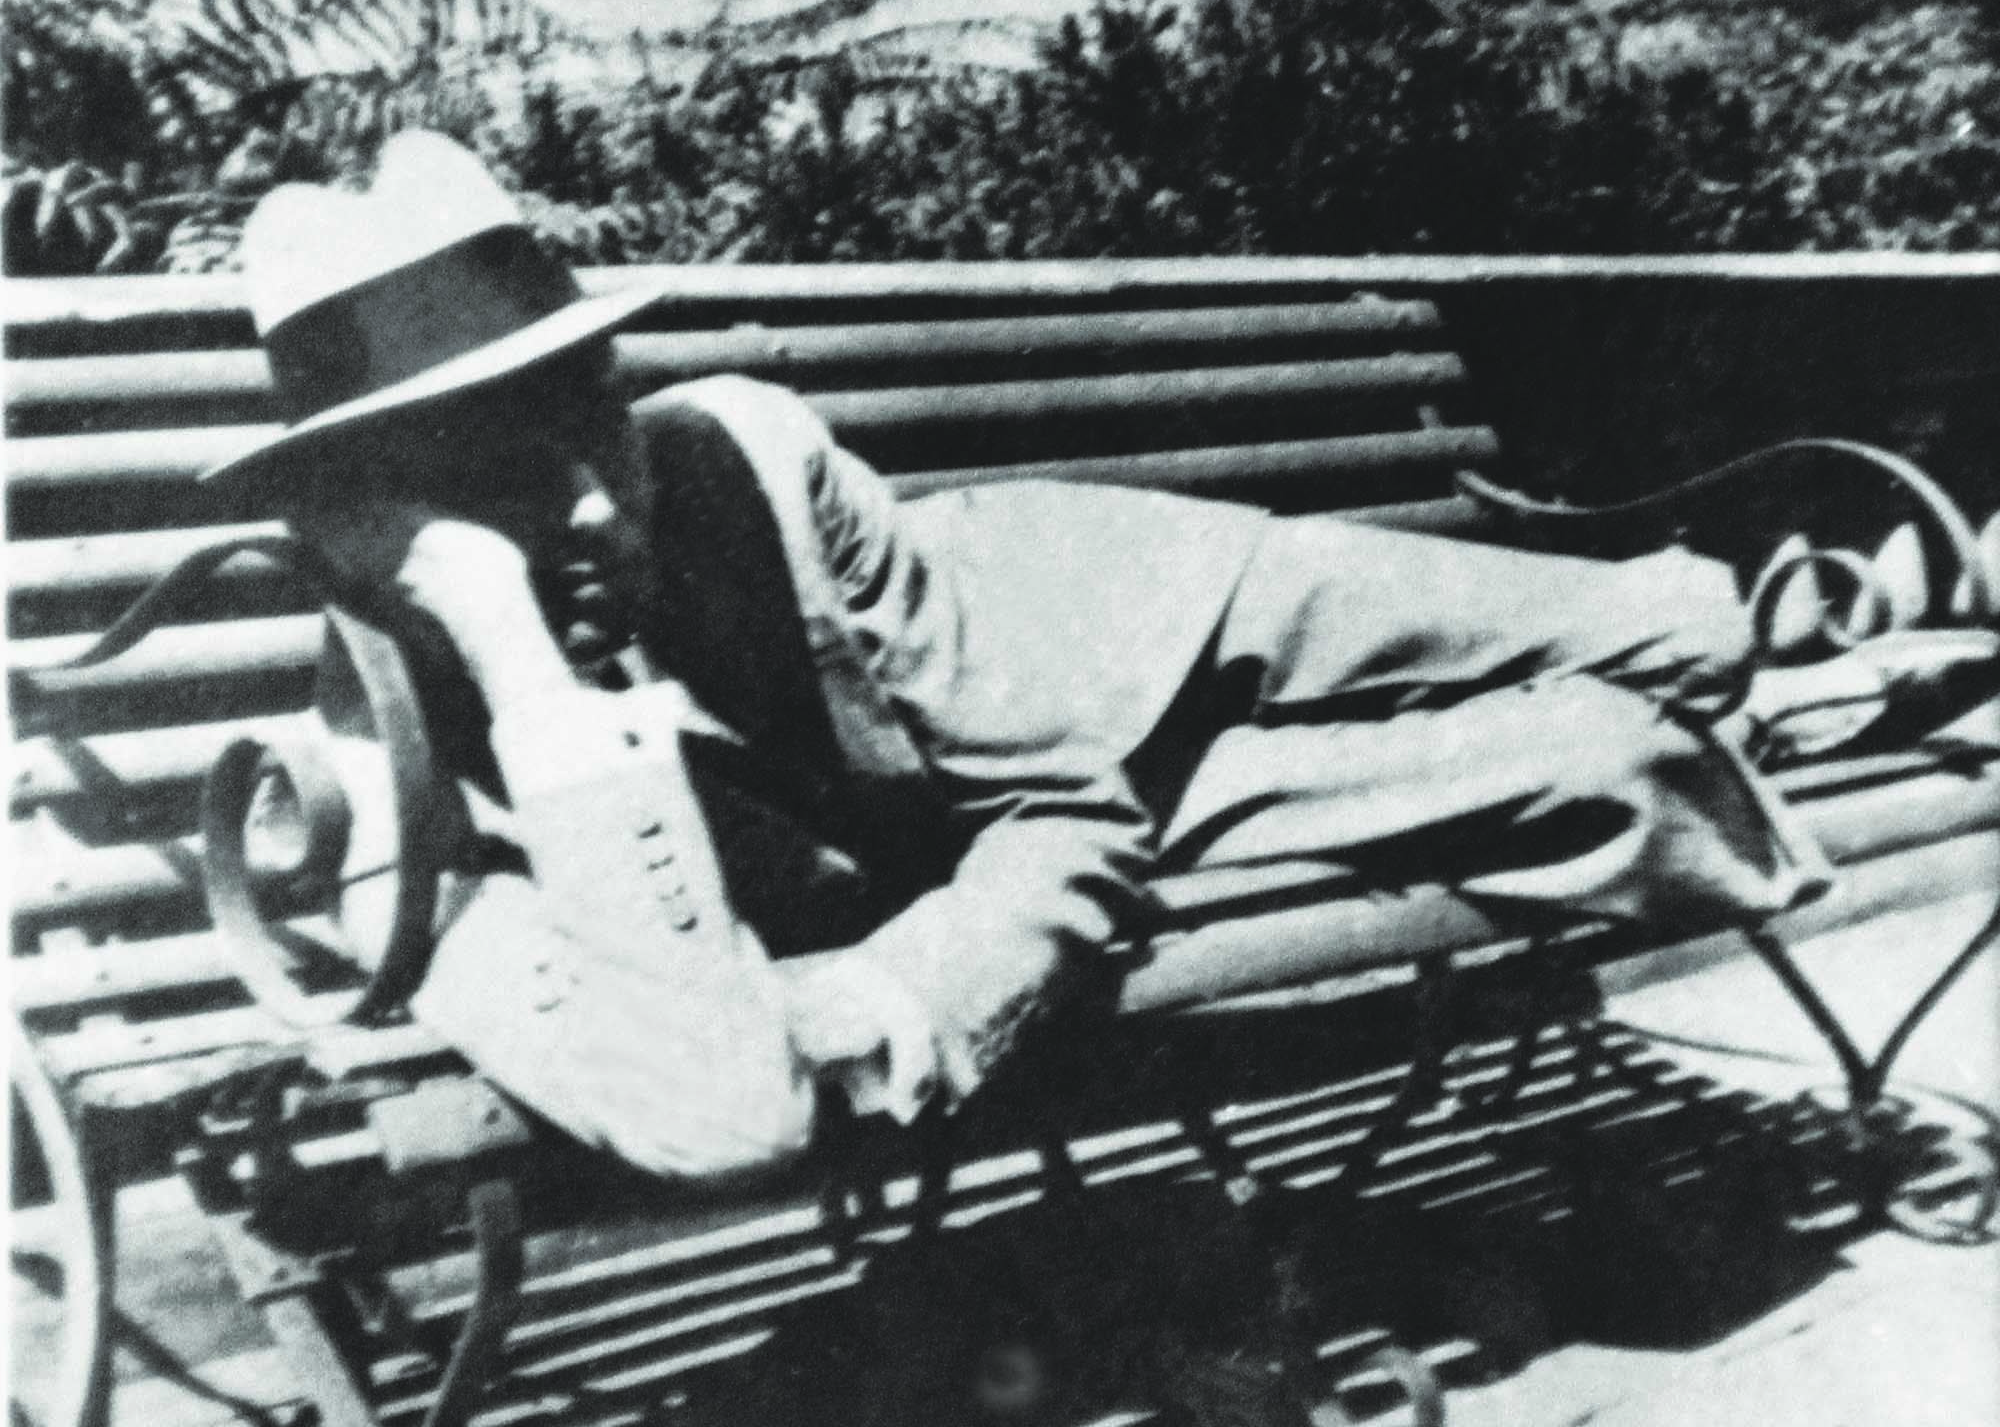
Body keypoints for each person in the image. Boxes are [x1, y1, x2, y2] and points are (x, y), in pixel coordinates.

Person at [208, 132, 2000, 1186]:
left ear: (624, 393)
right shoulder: (383, 813)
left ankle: (1806, 625)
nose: (585, 513)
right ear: (371, 528)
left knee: (1654, 618)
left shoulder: (730, 462)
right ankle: (1844, 670)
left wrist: (895, 977)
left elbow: (1043, 781)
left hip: (1103, 614)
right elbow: (728, 1104)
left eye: (581, 420)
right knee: (1596, 761)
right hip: (1106, 801)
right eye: (479, 481)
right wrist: (519, 660)